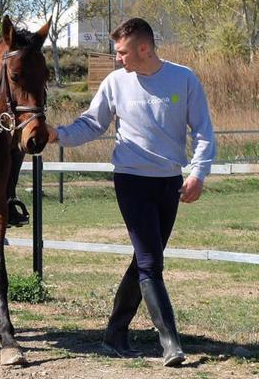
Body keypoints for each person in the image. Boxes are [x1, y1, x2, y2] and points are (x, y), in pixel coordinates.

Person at [48, 18, 215, 367]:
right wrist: (58, 135)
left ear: (144, 48)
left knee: (145, 258)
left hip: (169, 182)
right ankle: (171, 343)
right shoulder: (115, 82)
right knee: (151, 263)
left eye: (123, 52)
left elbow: (202, 132)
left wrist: (198, 173)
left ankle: (115, 331)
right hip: (131, 179)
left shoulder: (183, 79)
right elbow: (93, 123)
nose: (118, 58)